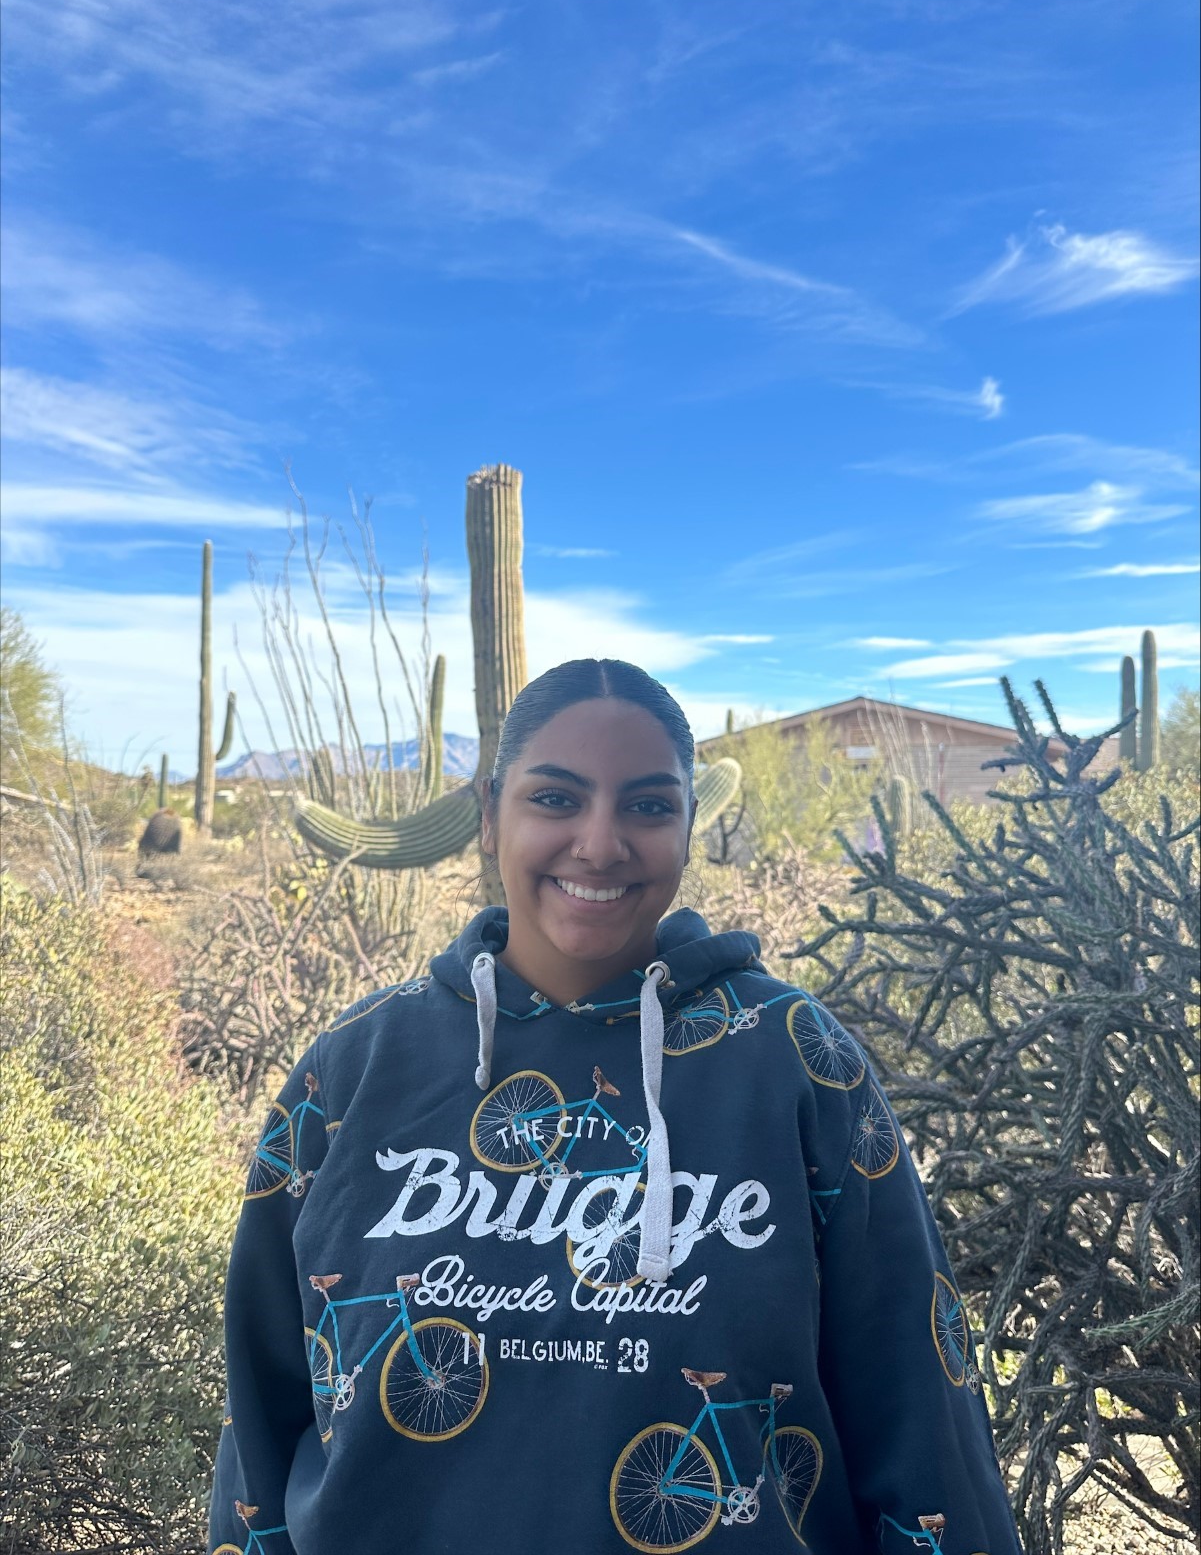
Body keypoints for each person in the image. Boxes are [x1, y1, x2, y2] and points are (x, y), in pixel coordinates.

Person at [208, 658, 1023, 1555]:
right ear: (490, 815)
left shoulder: (793, 1057)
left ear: (687, 826)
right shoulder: (357, 1065)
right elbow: (261, 1412)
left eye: (646, 805)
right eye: (555, 799)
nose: (599, 844)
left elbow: (916, 1394)